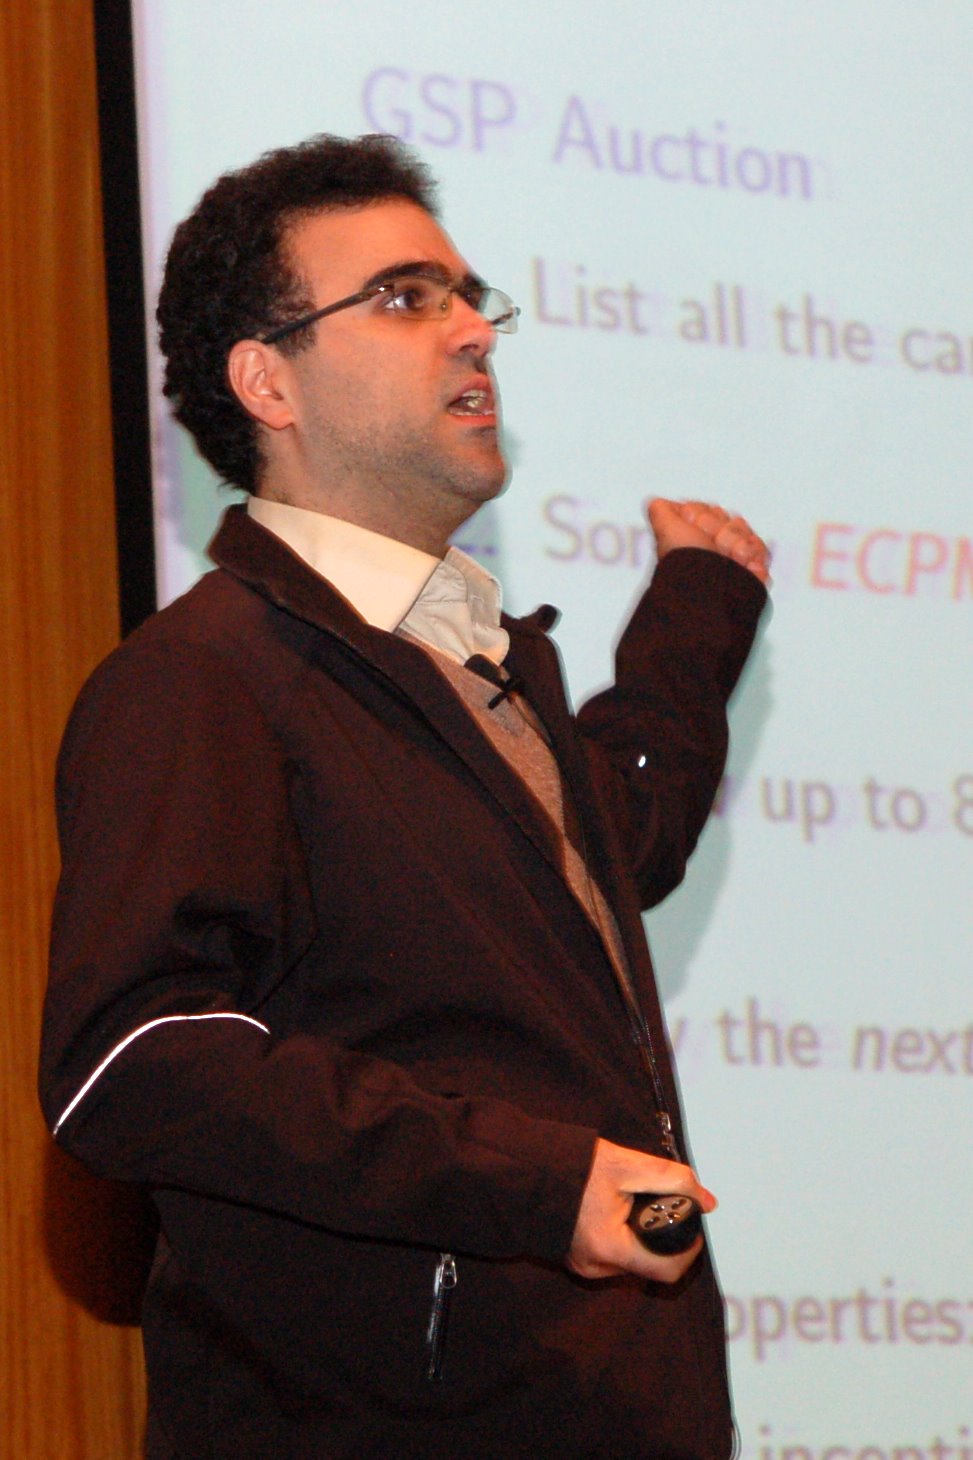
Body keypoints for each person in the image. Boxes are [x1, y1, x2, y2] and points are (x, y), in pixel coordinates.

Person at [40, 133, 769, 1458]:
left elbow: (603, 854)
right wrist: (538, 1183)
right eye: (401, 298)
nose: (472, 331)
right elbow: (132, 1062)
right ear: (266, 380)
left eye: (466, 296)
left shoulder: (475, 662)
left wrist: (693, 622)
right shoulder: (206, 676)